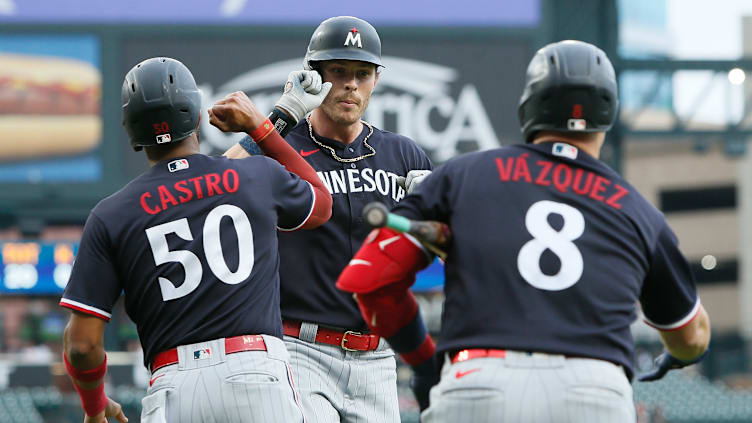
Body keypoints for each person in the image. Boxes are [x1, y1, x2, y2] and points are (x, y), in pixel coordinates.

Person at [337, 40, 711, 422]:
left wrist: (423, 361)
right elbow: (692, 335)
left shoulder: (462, 175)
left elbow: (371, 281)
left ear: (529, 105)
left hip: (479, 381)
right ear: (608, 110)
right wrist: (680, 356)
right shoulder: (637, 210)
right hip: (595, 388)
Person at [59, 57, 332, 423]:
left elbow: (81, 346)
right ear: (198, 116)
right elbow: (322, 204)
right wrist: (262, 128)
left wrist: (95, 408)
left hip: (173, 389)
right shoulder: (255, 175)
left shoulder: (111, 214)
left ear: (132, 133)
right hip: (256, 370)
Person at [224, 15, 433, 423]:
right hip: (301, 350)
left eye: (362, 73)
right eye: (338, 71)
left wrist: (435, 217)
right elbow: (214, 189)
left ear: (376, 80)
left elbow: (446, 248)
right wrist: (278, 120)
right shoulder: (278, 146)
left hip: (378, 357)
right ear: (313, 76)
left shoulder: (405, 156)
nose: (351, 84)